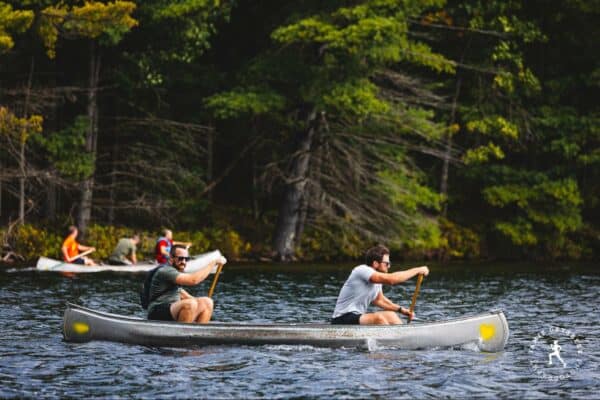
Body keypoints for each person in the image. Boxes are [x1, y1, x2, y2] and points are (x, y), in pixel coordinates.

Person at [331, 244, 429, 325]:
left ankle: (405, 339)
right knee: (379, 318)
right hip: (341, 319)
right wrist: (417, 270)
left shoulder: (376, 280)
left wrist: (401, 310)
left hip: (355, 318)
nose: (389, 266)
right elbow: (392, 280)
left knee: (391, 315)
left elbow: (380, 300)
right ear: (375, 264)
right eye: (386, 263)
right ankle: (387, 345)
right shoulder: (363, 270)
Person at [147, 245, 226, 323]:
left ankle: (198, 334)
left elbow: (182, 293)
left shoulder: (176, 272)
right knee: (190, 304)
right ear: (171, 259)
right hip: (156, 312)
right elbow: (193, 280)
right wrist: (213, 263)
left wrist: (201, 306)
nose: (184, 262)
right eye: (180, 258)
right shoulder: (166, 271)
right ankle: (183, 334)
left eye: (186, 259)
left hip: (172, 310)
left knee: (207, 302)